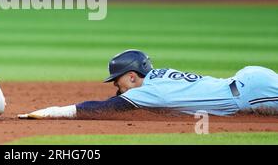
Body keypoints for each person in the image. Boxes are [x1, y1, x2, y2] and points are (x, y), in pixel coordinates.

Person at [18, 49, 278, 119]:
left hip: (250, 93)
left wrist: (51, 111)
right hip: (248, 79)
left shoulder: (152, 92)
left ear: (132, 76)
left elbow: (99, 109)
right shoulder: (159, 76)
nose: (116, 88)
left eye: (117, 81)